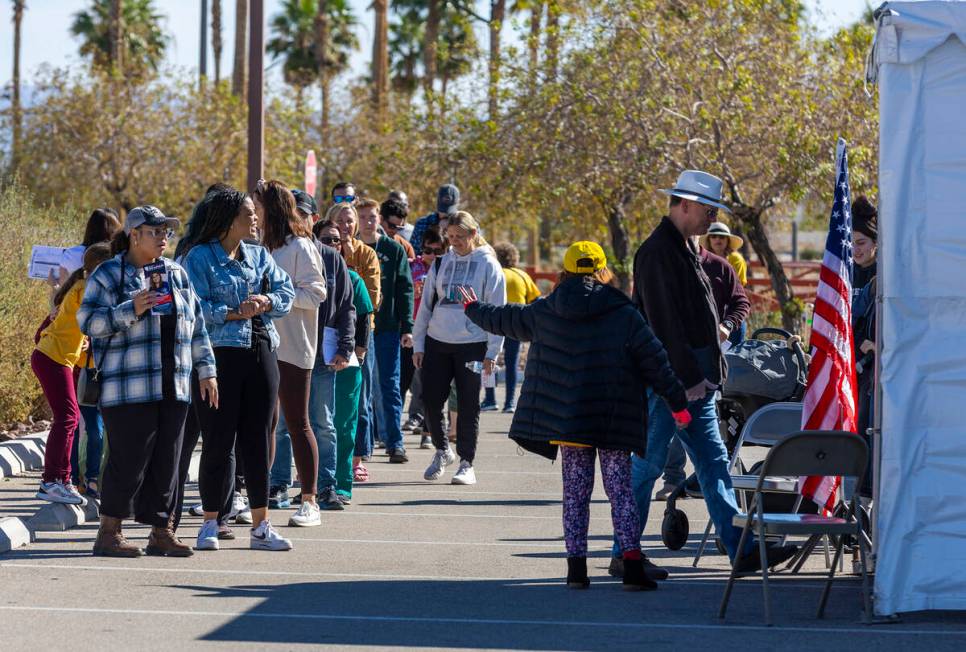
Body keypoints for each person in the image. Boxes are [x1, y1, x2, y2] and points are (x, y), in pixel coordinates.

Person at [460, 242, 690, 590]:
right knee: (621, 493)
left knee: (575, 494)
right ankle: (631, 566)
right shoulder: (624, 312)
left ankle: (576, 570)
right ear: (602, 270)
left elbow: (506, 319)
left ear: (564, 271)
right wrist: (678, 404)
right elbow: (655, 360)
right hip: (613, 419)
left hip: (570, 421)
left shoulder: (546, 309)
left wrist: (473, 307)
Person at [612, 170, 798, 579]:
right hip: (674, 382)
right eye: (707, 210)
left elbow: (706, 313)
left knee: (708, 462)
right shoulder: (659, 252)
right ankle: (626, 550)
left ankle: (737, 547)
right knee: (651, 465)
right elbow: (663, 324)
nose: (710, 218)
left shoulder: (680, 248)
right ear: (684, 205)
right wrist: (687, 379)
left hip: (687, 379)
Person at [78, 205, 218, 558]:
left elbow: (196, 326)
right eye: (155, 232)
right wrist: (130, 309)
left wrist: (207, 370)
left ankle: (161, 531)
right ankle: (109, 531)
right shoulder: (110, 274)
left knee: (168, 462)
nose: (163, 238)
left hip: (175, 384)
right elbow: (88, 323)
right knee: (128, 459)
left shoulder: (176, 273)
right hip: (129, 386)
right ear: (134, 235)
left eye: (166, 232)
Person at [182, 189, 296, 552]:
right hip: (218, 356)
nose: (255, 219)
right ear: (229, 218)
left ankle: (262, 526)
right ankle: (211, 523)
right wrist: (233, 312)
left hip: (261, 349)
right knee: (217, 440)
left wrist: (266, 301)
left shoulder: (259, 254)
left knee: (258, 440)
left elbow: (286, 291)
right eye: (248, 214)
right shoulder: (198, 258)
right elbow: (193, 306)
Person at [270, 192, 355, 512]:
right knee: (280, 424)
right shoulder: (277, 250)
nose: (299, 220)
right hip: (283, 349)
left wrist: (346, 346)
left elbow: (346, 306)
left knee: (322, 422)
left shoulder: (330, 256)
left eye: (304, 214)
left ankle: (325, 486)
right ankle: (278, 483)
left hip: (320, 351)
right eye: (295, 214)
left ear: (313, 218)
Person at [413, 211, 506, 485]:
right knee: (430, 400)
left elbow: (497, 312)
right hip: (437, 343)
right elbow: (426, 308)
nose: (454, 243)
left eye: (460, 237)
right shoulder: (441, 263)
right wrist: (419, 343)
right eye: (450, 237)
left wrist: (492, 353)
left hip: (473, 346)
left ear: (473, 234)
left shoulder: (489, 265)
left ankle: (467, 462)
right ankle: (443, 450)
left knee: (468, 404)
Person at [256, 180, 328, 526]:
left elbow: (316, 293)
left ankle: (310, 499)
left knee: (298, 422)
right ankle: (257, 495)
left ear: (270, 209)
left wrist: (275, 298)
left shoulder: (301, 246)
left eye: (257, 206)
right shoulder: (259, 248)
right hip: (264, 343)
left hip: (296, 345)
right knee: (265, 423)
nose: (253, 213)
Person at [656, 241, 751, 500]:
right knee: (671, 430)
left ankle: (713, 489)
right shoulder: (662, 266)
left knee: (710, 438)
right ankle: (673, 480)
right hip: (673, 365)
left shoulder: (722, 266)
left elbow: (741, 302)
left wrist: (727, 326)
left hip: (708, 367)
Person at [32, 243, 112, 506]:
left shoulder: (80, 288)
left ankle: (60, 480)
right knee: (67, 418)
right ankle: (53, 481)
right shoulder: (85, 289)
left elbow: (73, 330)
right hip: (51, 359)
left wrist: (83, 346)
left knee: (68, 418)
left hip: (57, 359)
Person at [58, 208, 122, 499]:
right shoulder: (84, 290)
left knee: (90, 425)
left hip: (90, 366)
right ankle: (84, 477)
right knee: (91, 425)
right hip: (88, 367)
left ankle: (84, 478)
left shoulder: (79, 286)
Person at [314, 219, 369, 500]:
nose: (333, 244)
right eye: (326, 239)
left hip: (345, 361)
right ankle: (314, 480)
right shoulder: (304, 275)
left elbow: (361, 317)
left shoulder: (352, 278)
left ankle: (341, 484)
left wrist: (356, 352)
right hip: (313, 360)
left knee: (343, 425)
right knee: (317, 423)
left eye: (337, 240)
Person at [358, 198, 415, 463]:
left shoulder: (393, 250)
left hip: (387, 327)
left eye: (372, 216)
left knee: (389, 385)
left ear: (379, 218)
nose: (368, 221)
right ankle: (364, 445)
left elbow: (405, 288)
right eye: (363, 217)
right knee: (362, 389)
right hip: (358, 329)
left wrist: (407, 326)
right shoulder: (350, 249)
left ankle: (395, 443)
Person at [331, 202, 381, 471]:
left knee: (359, 398)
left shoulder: (367, 254)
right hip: (328, 333)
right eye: (340, 221)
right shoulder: (324, 251)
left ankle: (357, 458)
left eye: (350, 221)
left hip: (361, 331)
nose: (346, 226)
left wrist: (350, 263)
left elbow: (372, 299)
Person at [481, 243, 541, 413]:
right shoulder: (522, 276)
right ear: (515, 257)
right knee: (512, 362)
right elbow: (535, 301)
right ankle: (510, 402)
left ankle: (490, 398)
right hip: (516, 325)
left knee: (488, 361)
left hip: (492, 323)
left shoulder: (492, 273)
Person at [402, 229, 446, 448]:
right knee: (412, 380)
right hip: (414, 330)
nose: (431, 254)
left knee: (431, 383)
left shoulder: (447, 267)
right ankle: (414, 418)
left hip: (439, 331)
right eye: (428, 250)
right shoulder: (413, 267)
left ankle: (428, 431)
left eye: (437, 251)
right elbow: (404, 292)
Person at [851, 195, 878, 496]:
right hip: (847, 362)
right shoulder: (843, 271)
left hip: (867, 368)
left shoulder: (883, 276)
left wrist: (868, 345)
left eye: (860, 242)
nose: (855, 249)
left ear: (874, 242)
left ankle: (865, 500)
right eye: (851, 243)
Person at [701, 222, 749, 346]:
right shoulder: (701, 260)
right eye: (714, 236)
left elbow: (736, 290)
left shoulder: (735, 259)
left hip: (730, 316)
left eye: (722, 237)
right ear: (709, 239)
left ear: (727, 240)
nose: (718, 239)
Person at [410, 184, 460, 255]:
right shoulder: (422, 223)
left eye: (449, 212)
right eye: (442, 211)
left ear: (458, 203)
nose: (445, 214)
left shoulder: (465, 224)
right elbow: (413, 253)